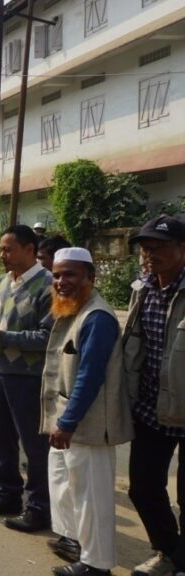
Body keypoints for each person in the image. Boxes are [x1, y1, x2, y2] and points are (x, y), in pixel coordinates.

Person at [43, 247, 133, 576]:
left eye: (69, 274)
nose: (61, 281)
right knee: (64, 483)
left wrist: (67, 422)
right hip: (68, 418)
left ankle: (97, 565)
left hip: (89, 424)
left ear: (90, 277)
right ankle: (75, 542)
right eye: (56, 275)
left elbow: (90, 376)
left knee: (91, 497)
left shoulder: (97, 317)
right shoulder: (73, 308)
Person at [0, 225, 54, 534]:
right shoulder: (0, 283)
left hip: (29, 378)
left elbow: (48, 336)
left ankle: (38, 508)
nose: (2, 255)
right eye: (1, 249)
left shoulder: (49, 285)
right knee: (1, 440)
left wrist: (2, 337)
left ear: (30, 250)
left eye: (8, 249)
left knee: (35, 447)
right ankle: (7, 495)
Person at [123, 215, 185, 576]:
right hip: (149, 408)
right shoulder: (142, 289)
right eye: (146, 248)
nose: (150, 254)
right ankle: (169, 552)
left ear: (182, 248)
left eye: (159, 246)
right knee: (143, 488)